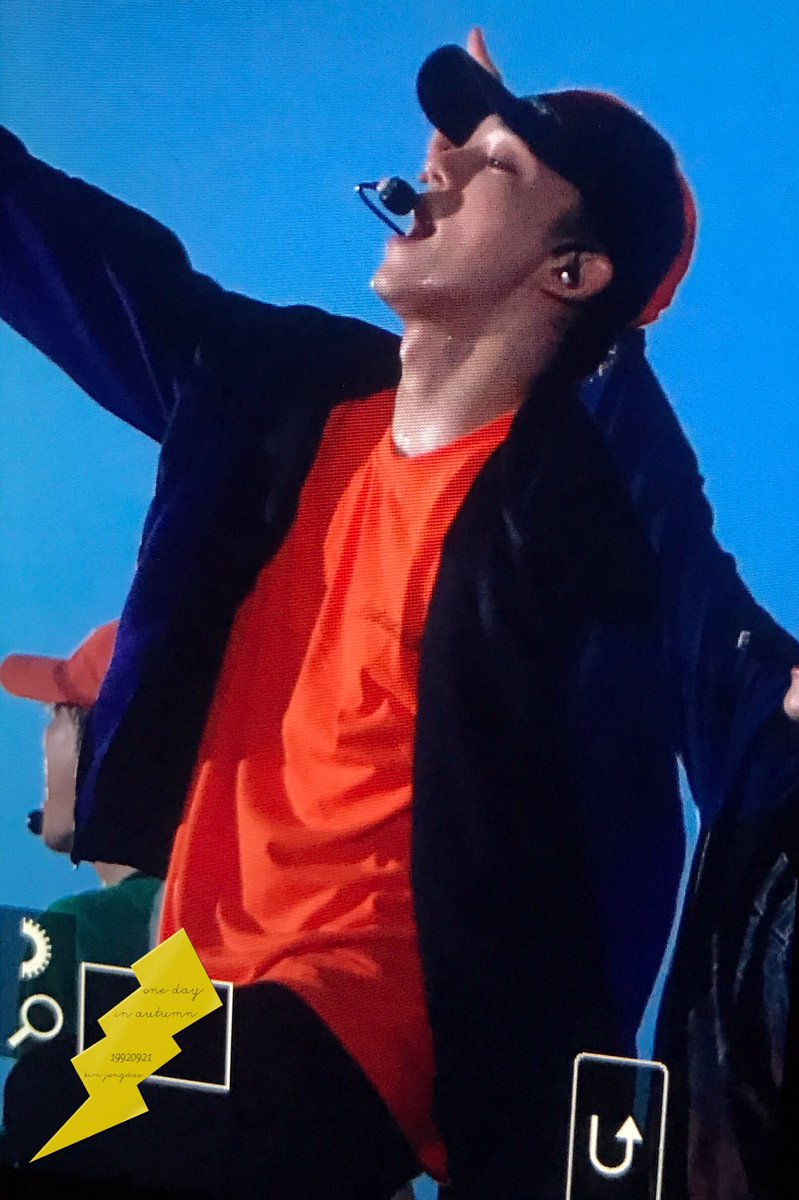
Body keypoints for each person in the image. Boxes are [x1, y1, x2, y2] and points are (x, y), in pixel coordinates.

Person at [1, 28, 798, 1200]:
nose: (440, 163)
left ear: (570, 274)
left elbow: (711, 626)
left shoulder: (573, 511)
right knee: (40, 1115)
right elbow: (70, 259)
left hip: (363, 1014)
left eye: (497, 163)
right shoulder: (275, 394)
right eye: (449, 146)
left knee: (167, 1132)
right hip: (191, 978)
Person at [0, 621, 163, 1033]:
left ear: (102, 751)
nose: (44, 742)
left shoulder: (78, 934)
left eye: (57, 715)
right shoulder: (232, 921)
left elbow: (100, 1079)